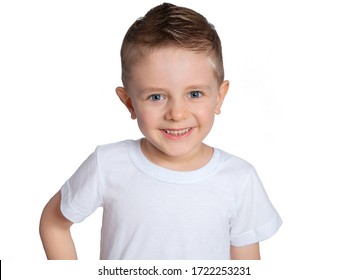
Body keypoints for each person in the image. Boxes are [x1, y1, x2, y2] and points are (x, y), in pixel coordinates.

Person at [39, 2, 282, 260]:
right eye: (156, 97)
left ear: (219, 97)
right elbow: (54, 223)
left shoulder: (239, 179)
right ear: (129, 102)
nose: (177, 114)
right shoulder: (108, 164)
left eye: (195, 94)